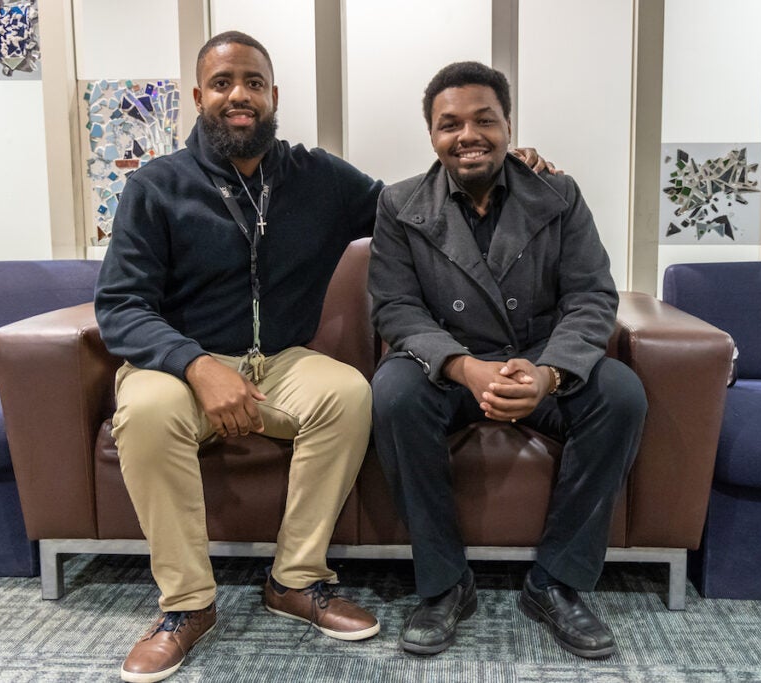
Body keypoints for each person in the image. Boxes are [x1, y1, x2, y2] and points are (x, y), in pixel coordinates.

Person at [96, 32, 553, 683]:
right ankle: (187, 605)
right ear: (199, 97)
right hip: (176, 364)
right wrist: (197, 365)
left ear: (273, 96)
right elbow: (119, 305)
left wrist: (498, 166)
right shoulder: (156, 186)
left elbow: (411, 209)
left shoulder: (317, 178)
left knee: (347, 390)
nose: (239, 95)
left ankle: (296, 579)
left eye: (253, 82)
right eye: (223, 83)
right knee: (143, 411)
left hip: (280, 361)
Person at [368, 61, 647, 659]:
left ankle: (557, 582)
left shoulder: (559, 194)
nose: (467, 134)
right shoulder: (399, 204)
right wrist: (464, 366)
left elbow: (592, 296)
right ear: (433, 136)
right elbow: (394, 308)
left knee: (621, 394)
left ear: (508, 124)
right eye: (450, 124)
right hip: (448, 369)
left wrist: (549, 374)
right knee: (391, 394)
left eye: (483, 119)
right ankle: (445, 586)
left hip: (542, 364)